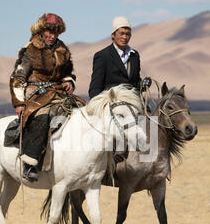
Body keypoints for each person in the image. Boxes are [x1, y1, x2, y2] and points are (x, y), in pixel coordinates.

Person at [9, 13, 78, 182]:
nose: (53, 36)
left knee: (82, 113)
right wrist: (19, 103)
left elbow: (69, 72)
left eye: (56, 33)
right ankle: (29, 163)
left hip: (58, 92)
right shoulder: (30, 50)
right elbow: (18, 78)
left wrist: (69, 81)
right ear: (41, 31)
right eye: (49, 32)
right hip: (35, 94)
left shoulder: (63, 49)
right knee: (43, 116)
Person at [88, 16, 151, 99]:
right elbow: (95, 88)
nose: (125, 37)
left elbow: (135, 82)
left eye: (127, 34)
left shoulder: (134, 55)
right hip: (111, 103)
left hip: (133, 101)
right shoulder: (102, 56)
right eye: (122, 33)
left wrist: (143, 84)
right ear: (113, 35)